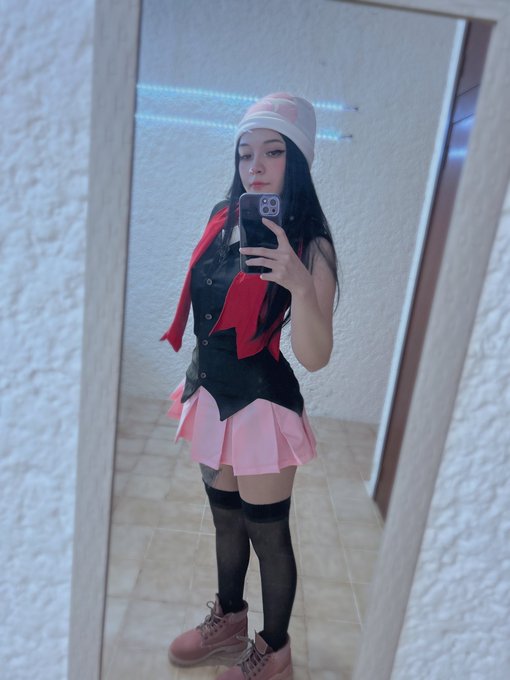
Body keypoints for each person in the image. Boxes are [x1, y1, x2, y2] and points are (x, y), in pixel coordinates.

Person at [161, 92, 339, 680]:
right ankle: (230, 619)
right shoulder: (223, 218)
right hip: (210, 392)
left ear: (298, 161)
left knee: (268, 535)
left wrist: (299, 283)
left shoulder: (310, 243)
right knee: (225, 519)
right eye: (245, 153)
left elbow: (315, 356)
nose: (254, 166)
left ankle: (274, 648)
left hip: (262, 404)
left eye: (273, 152)